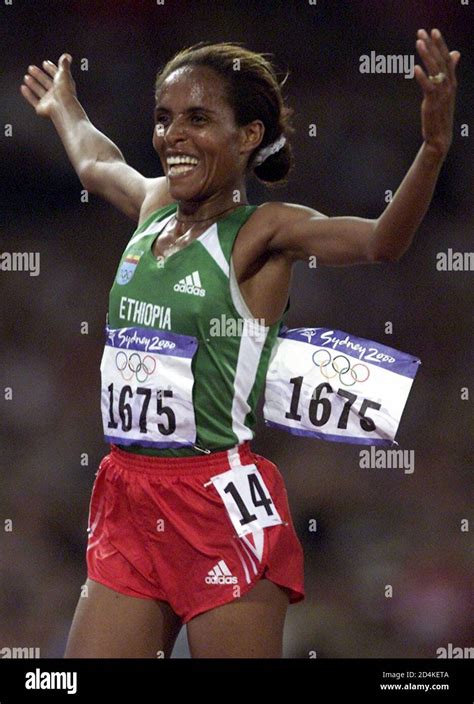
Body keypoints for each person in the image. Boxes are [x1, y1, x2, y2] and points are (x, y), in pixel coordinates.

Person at [21, 32, 459, 658]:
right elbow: (97, 163)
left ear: (248, 135)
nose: (173, 135)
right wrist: (66, 108)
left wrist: (434, 147)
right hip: (127, 492)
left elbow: (380, 241)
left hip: (217, 501)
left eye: (197, 119)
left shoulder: (262, 232)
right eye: (165, 119)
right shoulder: (153, 207)